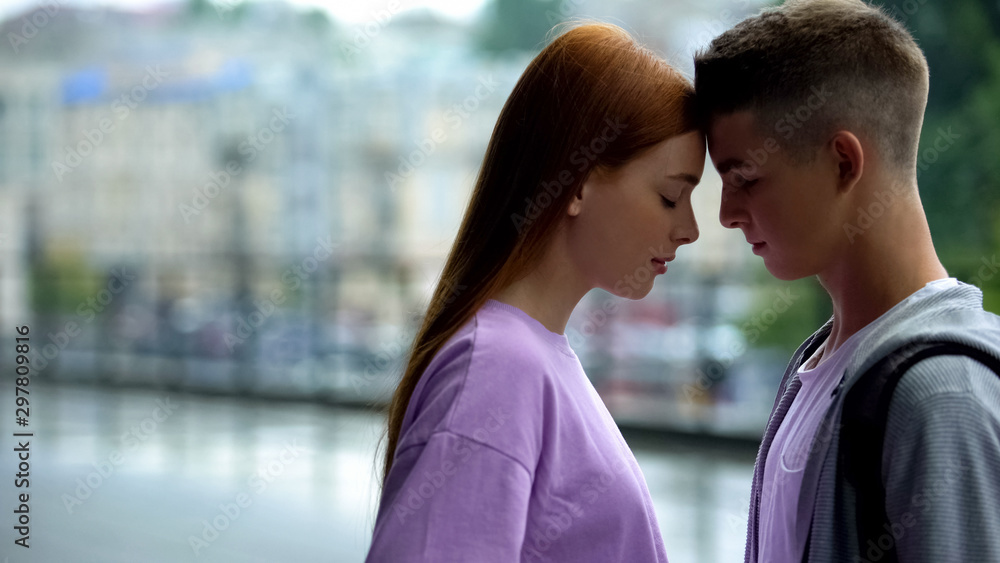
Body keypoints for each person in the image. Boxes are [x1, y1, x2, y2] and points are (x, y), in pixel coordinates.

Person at [366, 22, 704, 562]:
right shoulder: (501, 368)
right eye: (670, 196)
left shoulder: (530, 358)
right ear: (577, 185)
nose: (690, 229)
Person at [694, 1, 1000, 561]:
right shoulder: (819, 364)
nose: (726, 214)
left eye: (746, 179)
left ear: (842, 162)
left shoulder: (940, 393)